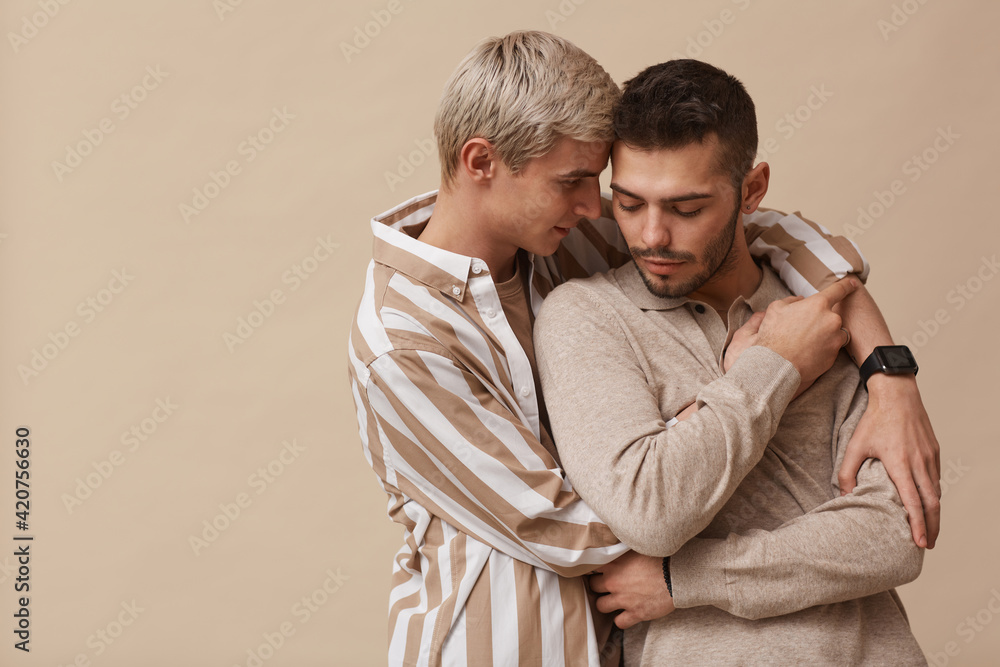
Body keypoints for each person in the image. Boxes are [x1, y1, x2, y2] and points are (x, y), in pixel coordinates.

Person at [347, 31, 939, 666]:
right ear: (482, 162)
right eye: (578, 183)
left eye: (606, 189)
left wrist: (890, 377)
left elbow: (775, 234)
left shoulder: (565, 235)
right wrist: (752, 384)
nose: (597, 207)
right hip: (506, 644)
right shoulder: (401, 342)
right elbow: (579, 522)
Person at [533, 58, 931, 664]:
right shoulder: (585, 318)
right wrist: (775, 365)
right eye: (630, 203)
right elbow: (651, 510)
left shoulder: (818, 308)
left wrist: (684, 581)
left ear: (752, 190)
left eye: (687, 209)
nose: (651, 237)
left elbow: (895, 535)